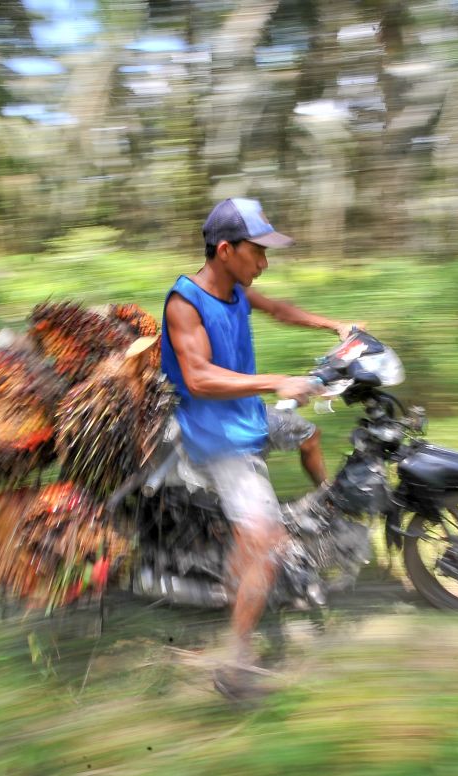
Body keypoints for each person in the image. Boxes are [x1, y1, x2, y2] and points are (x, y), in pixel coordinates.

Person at [159, 197, 361, 700]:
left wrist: (335, 326)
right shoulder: (186, 302)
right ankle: (236, 657)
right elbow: (200, 378)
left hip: (247, 417)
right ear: (225, 250)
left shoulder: (235, 291)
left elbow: (279, 309)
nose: (265, 263)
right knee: (265, 543)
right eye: (258, 253)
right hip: (218, 438)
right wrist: (277, 382)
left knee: (308, 434)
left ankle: (327, 507)